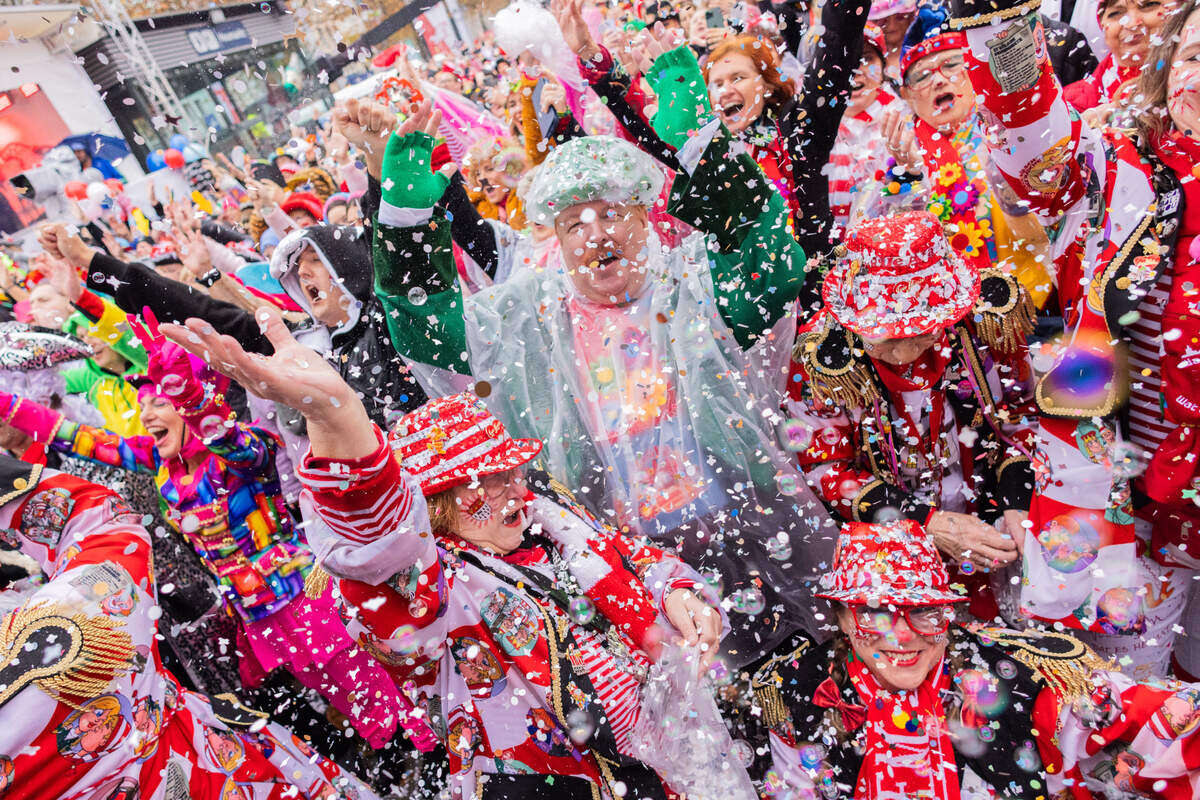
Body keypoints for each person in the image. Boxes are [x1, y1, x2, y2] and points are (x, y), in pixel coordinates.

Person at [157, 307, 729, 800]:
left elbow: (635, 557)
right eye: (485, 480)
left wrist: (677, 592)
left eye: (512, 471)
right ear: (438, 508)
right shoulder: (437, 588)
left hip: (675, 763)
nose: (514, 490)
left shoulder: (552, 525)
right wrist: (339, 418)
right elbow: (373, 546)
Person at [366, 94, 835, 665]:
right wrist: (407, 227)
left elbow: (769, 265)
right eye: (573, 225)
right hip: (622, 567)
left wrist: (707, 151)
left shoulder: (693, 283)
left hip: (751, 535)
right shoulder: (524, 316)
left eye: (610, 213)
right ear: (556, 242)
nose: (594, 234)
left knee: (795, 681)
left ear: (643, 216)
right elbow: (428, 332)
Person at [0, 321, 412, 750]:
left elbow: (231, 440)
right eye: (144, 407)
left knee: (373, 687)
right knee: (342, 701)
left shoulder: (240, 453)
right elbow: (79, 437)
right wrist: (7, 404)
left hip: (303, 597)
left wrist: (191, 397)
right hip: (256, 613)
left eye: (159, 403)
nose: (147, 415)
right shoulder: (161, 465)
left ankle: (431, 752)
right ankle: (395, 764)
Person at [946, 0, 1200, 678]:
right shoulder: (1121, 163)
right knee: (1118, 704)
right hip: (1127, 503)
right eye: (1196, 58)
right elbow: (1034, 148)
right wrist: (999, 31)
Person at [0, 453, 383, 800]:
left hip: (247, 599)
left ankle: (380, 746)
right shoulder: (65, 622)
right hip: (218, 764)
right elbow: (100, 519)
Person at [751, 517, 1200, 797]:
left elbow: (1163, 720)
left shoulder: (1023, 681)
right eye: (875, 613)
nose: (904, 636)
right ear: (844, 620)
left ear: (949, 613)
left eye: (924, 611)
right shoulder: (799, 692)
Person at [789, 211, 1036, 621]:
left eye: (923, 332)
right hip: (886, 555)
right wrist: (924, 523)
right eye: (884, 339)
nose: (903, 355)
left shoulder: (984, 320)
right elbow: (825, 468)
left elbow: (1019, 416)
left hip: (990, 529)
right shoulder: (825, 359)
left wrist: (1017, 498)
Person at [880, 5, 1054, 311]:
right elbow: (895, 250)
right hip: (947, 322)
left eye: (951, 65)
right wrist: (911, 175)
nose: (939, 80)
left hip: (1029, 305)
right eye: (922, 75)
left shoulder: (1009, 128)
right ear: (907, 95)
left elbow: (1045, 229)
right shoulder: (899, 153)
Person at [1062, 0, 1176, 119]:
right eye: (1115, 13)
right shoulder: (1069, 103)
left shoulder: (1192, 85)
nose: (1131, 23)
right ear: (1102, 24)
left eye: (1149, 5)